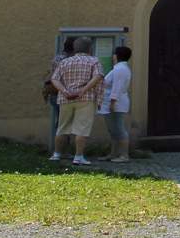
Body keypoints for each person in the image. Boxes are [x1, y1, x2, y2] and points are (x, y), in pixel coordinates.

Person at [50, 36, 103, 165]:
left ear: (74, 48)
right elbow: (98, 76)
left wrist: (64, 91)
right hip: (86, 99)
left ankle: (56, 154)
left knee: (62, 127)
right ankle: (78, 157)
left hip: (66, 99)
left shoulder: (65, 62)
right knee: (82, 129)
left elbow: (54, 79)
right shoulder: (94, 61)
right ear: (90, 48)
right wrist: (83, 90)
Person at [97, 44, 134, 163]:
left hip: (115, 103)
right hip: (112, 102)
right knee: (113, 130)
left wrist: (112, 102)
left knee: (119, 129)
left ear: (116, 56)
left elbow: (116, 88)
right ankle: (113, 154)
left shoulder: (120, 69)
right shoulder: (119, 68)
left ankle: (124, 155)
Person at [45, 37, 75, 153]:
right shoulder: (70, 59)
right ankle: (62, 150)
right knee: (65, 124)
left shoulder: (57, 57)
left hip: (55, 93)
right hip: (64, 94)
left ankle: (58, 150)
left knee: (61, 123)